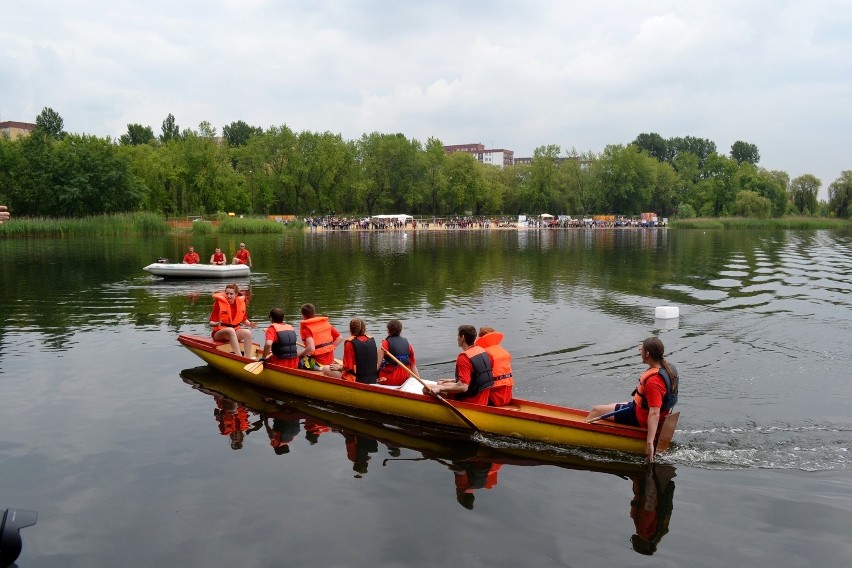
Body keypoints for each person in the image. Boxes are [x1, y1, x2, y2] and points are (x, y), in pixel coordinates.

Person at [585, 337, 679, 462]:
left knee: (596, 410)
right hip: (643, 409)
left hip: (642, 417)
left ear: (647, 354)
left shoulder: (654, 382)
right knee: (612, 405)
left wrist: (650, 443)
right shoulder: (666, 367)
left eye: (641, 349)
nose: (639, 351)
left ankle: (582, 434)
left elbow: (654, 413)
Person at [424, 324, 494, 405]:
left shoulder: (464, 357)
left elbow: (463, 387)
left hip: (471, 400)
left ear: (462, 338)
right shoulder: (481, 350)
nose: (457, 338)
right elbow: (476, 376)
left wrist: (440, 389)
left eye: (458, 336)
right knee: (441, 383)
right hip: (482, 397)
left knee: (426, 388)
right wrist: (451, 381)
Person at [323, 318, 382, 384]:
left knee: (325, 368)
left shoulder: (350, 343)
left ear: (350, 329)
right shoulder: (371, 339)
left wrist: (338, 368)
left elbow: (347, 367)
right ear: (364, 328)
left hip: (356, 379)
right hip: (372, 378)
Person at [209, 283, 257, 357]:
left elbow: (244, 320)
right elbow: (211, 323)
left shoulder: (240, 303)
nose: (228, 296)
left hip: (234, 332)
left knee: (247, 332)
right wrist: (216, 324)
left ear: (236, 294)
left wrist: (250, 324)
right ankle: (239, 357)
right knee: (230, 330)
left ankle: (248, 357)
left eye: (231, 294)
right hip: (219, 334)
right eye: (227, 293)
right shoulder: (219, 303)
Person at [475, 326, 514, 406]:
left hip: (494, 393)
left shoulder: (485, 353)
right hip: (507, 389)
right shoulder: (503, 350)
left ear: (481, 338)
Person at [297, 303, 343, 368]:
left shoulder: (306, 329)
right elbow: (340, 338)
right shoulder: (325, 324)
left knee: (295, 359)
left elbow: (311, 348)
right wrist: (330, 348)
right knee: (305, 351)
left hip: (319, 363)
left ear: (303, 316)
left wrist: (300, 354)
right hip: (330, 360)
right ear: (314, 313)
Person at [378, 319, 419, 386]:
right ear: (400, 330)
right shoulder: (408, 345)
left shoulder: (384, 344)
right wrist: (419, 382)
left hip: (390, 379)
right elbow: (413, 366)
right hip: (405, 379)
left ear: (388, 330)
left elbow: (377, 365)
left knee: (380, 368)